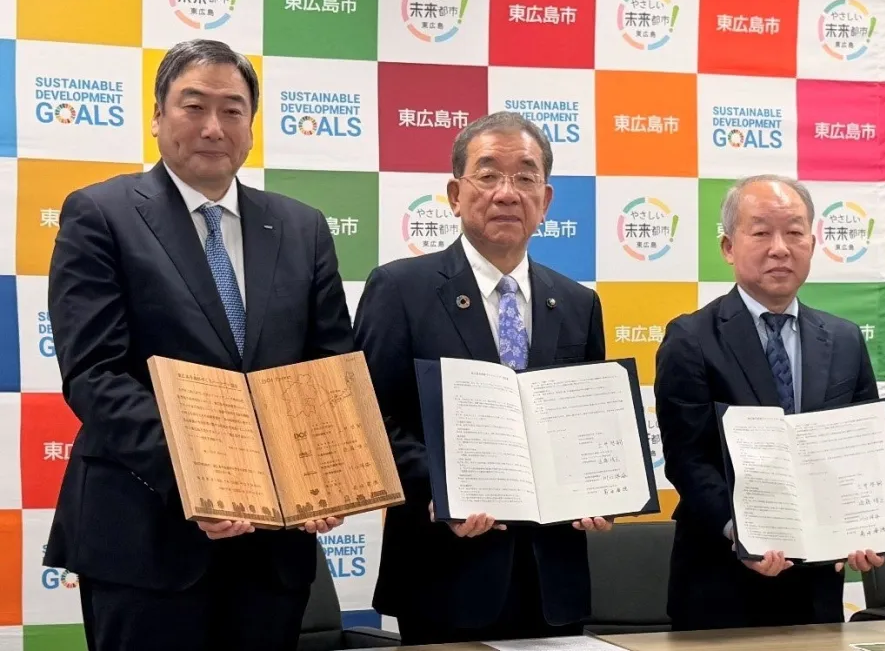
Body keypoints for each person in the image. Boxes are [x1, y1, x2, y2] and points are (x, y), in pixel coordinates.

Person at [43, 39, 353, 651]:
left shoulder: (303, 227)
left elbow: (329, 366)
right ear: (157, 116)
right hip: (145, 536)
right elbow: (96, 373)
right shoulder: (100, 213)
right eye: (193, 106)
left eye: (233, 110)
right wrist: (201, 480)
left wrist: (324, 472)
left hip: (273, 550)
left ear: (251, 126)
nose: (214, 127)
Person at [355, 111, 611, 646]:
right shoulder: (401, 289)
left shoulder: (578, 303)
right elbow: (370, 419)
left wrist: (599, 487)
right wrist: (443, 488)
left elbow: (586, 428)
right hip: (444, 571)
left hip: (552, 578)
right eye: (488, 174)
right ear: (455, 194)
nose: (507, 193)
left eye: (525, 177)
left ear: (545, 199)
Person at [654, 174, 885, 631]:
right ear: (728, 247)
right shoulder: (691, 338)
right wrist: (742, 534)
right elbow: (688, 460)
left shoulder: (844, 338)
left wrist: (866, 527)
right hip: (721, 585)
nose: (780, 248)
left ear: (812, 243)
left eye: (795, 232)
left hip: (817, 587)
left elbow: (864, 452)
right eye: (761, 232)